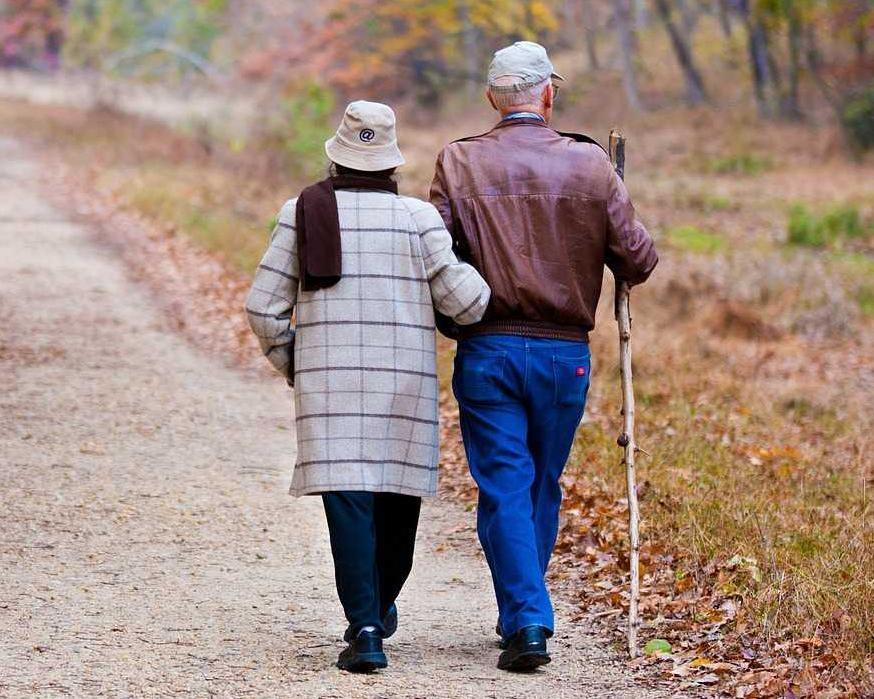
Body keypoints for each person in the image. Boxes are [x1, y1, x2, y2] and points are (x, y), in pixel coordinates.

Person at [427, 41, 660, 672]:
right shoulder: (589, 165)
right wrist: (610, 197)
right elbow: (638, 259)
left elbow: (433, 255)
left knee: (505, 483)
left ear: (491, 98)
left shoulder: (459, 161)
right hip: (564, 356)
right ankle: (526, 615)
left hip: (488, 346)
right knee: (538, 483)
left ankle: (524, 616)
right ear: (548, 95)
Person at [245, 100, 491, 674]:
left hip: (329, 389)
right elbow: (468, 304)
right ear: (392, 165)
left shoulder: (300, 213)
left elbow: (263, 308)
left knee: (348, 503)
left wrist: (297, 364)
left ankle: (366, 627)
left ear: (336, 159)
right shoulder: (418, 219)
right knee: (396, 504)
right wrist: (475, 265)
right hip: (402, 385)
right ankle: (377, 610)